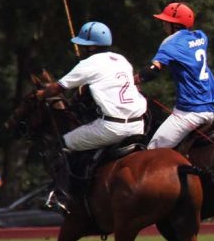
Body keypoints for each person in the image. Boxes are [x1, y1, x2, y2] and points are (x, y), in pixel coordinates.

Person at [34, 21, 147, 213]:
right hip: (138, 125)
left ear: (92, 47)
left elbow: (58, 88)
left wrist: (41, 94)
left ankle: (60, 195)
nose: (82, 49)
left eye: (84, 45)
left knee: (62, 144)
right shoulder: (122, 60)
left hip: (112, 127)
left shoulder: (87, 64)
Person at [136, 2, 214, 150]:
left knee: (152, 151)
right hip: (212, 108)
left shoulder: (170, 44)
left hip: (191, 111)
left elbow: (152, 70)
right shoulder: (201, 36)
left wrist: (133, 80)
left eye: (165, 21)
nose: (163, 25)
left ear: (174, 25)